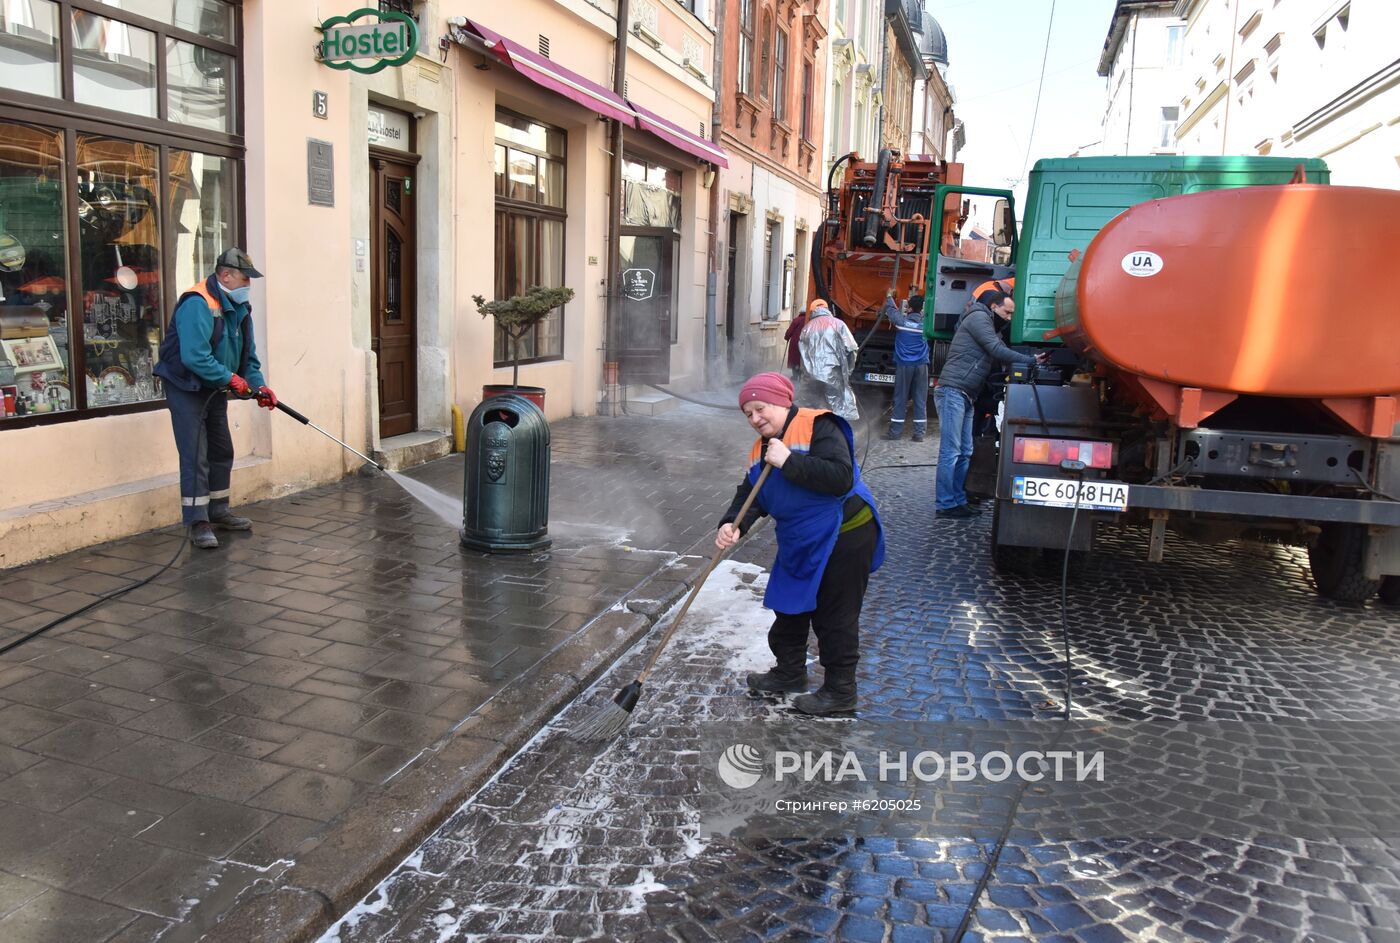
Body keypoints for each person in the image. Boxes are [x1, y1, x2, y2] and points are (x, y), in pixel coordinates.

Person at [716, 372, 885, 715]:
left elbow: (839, 478)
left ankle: (840, 692)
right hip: (800, 538)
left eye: (761, 409)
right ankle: (789, 673)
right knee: (789, 605)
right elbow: (751, 492)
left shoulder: (820, 427)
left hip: (846, 533)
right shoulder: (761, 448)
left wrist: (789, 461)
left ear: (782, 402)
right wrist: (733, 523)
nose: (755, 419)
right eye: (748, 414)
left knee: (834, 615)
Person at [154, 248, 277, 549]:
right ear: (225, 275)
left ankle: (218, 510)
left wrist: (258, 386)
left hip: (214, 388)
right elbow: (195, 357)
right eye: (245, 278)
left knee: (221, 449)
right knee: (195, 454)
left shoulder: (240, 308)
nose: (249, 284)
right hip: (186, 386)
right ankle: (197, 522)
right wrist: (231, 380)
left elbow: (248, 356)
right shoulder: (197, 303)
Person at [934, 289, 1046, 519]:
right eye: (1007, 312)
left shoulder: (989, 324)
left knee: (965, 451)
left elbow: (999, 349)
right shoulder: (978, 318)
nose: (1009, 318)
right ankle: (945, 504)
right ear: (994, 307)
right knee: (951, 451)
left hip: (966, 393)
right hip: (953, 390)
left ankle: (958, 500)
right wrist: (1029, 360)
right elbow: (996, 350)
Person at [799, 298, 859, 420]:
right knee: (836, 407)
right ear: (827, 309)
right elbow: (852, 349)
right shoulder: (839, 324)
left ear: (812, 311)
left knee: (812, 406)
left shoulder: (807, 328)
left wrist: (805, 374)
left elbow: (802, 355)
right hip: (833, 373)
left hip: (811, 375)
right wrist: (847, 371)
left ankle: (813, 430)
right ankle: (835, 432)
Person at [881, 290, 929, 441]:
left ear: (908, 308)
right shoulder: (926, 326)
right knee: (920, 399)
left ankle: (895, 433)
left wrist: (889, 296)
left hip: (904, 366)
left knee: (900, 398)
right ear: (922, 309)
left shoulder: (902, 323)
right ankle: (919, 434)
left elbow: (891, 311)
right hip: (921, 366)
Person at [782, 308, 807, 379]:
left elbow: (790, 331)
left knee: (795, 359)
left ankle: (795, 376)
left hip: (795, 344)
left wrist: (787, 337)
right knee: (803, 359)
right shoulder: (809, 320)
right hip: (805, 343)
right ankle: (802, 376)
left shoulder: (796, 320)